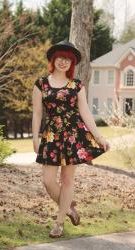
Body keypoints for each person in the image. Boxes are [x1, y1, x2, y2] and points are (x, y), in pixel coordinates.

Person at [32, 40, 110, 238]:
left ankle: (59, 223)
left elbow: (85, 112)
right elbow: (37, 114)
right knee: (48, 181)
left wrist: (99, 137)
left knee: (67, 180)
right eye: (60, 57)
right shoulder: (41, 84)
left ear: (72, 63)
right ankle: (68, 207)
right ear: (53, 59)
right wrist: (35, 138)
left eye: (68, 59)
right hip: (50, 136)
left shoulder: (77, 86)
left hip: (72, 136)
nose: (63, 62)